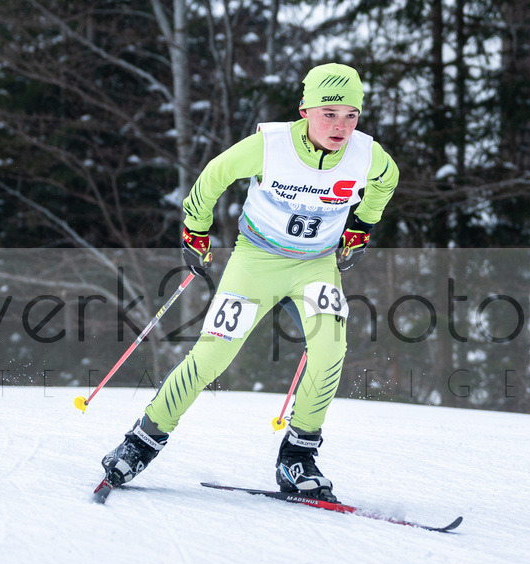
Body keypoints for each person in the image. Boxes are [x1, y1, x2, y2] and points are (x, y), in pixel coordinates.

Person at [98, 63, 398, 503]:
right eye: (329, 112)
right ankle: (143, 439)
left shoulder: (369, 156)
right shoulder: (269, 146)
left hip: (315, 266)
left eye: (351, 114)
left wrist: (362, 226)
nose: (340, 125)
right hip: (255, 261)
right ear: (305, 110)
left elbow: (386, 182)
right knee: (212, 355)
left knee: (331, 348)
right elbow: (213, 177)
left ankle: (298, 456)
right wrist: (195, 232)